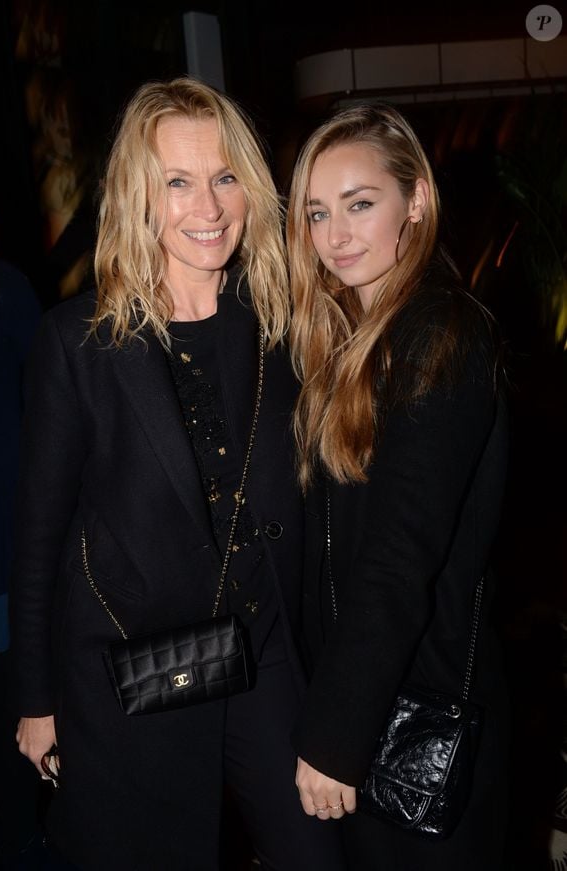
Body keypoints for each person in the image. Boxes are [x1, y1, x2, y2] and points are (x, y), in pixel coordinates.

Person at [10, 76, 346, 871]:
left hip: (263, 657)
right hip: (135, 671)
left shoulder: (282, 326)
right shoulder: (78, 343)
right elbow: (39, 538)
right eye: (179, 182)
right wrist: (34, 699)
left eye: (226, 177)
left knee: (315, 854)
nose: (209, 206)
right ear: (139, 196)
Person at [285, 103, 510, 869]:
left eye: (360, 203)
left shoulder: (439, 333)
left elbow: (398, 555)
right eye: (317, 212)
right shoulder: (354, 335)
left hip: (419, 710)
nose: (335, 234)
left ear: (415, 201)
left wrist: (335, 734)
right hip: (377, 691)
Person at [0, 210, 44, 866]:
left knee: (14, 712)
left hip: (9, 550)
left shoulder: (10, 294)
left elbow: (49, 410)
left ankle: (25, 832)